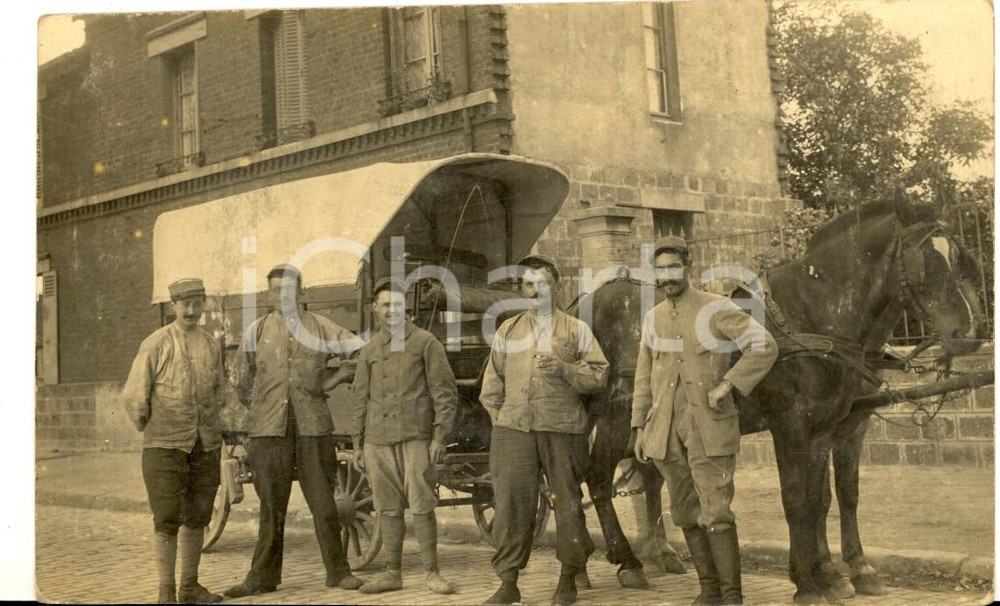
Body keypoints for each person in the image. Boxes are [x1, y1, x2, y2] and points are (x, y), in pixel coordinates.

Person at [631, 236, 778, 605]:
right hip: (665, 432)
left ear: (688, 268)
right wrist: (639, 427)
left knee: (716, 510)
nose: (667, 276)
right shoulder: (653, 317)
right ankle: (709, 591)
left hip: (708, 428)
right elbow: (644, 373)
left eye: (673, 268)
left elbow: (764, 345)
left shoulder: (716, 307)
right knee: (683, 511)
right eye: (660, 270)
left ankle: (732, 596)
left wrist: (728, 384)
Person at [225, 264, 365, 597]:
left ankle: (338, 572)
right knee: (271, 506)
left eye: (289, 290)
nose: (283, 296)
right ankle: (262, 578)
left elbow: (361, 352)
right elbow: (238, 381)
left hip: (313, 426)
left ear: (301, 292)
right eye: (276, 290)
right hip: (268, 432)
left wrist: (333, 379)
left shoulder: (321, 327)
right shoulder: (256, 331)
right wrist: (259, 410)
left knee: (324, 504)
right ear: (269, 294)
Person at [479, 254, 609, 606]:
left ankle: (568, 578)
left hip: (563, 430)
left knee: (567, 504)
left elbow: (598, 375)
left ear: (557, 287)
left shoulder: (575, 329)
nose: (535, 290)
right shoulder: (508, 329)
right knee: (510, 506)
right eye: (528, 284)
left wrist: (565, 369)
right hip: (514, 431)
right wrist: (503, 420)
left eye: (543, 283)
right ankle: (508, 583)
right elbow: (491, 385)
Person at [350, 277, 459, 595]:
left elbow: (445, 394)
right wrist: (358, 442)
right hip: (377, 441)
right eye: (385, 305)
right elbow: (360, 397)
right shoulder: (369, 349)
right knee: (388, 508)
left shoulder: (426, 343)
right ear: (375, 310)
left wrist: (439, 437)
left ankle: (432, 573)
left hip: (415, 438)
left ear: (406, 308)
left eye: (397, 305)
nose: (392, 311)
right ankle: (392, 573)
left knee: (422, 505)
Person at [123, 278, 225, 604]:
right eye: (185, 304)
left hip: (205, 443)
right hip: (165, 446)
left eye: (197, 303)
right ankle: (166, 592)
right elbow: (135, 396)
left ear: (204, 303)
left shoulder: (210, 344)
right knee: (167, 517)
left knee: (198, 515)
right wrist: (151, 428)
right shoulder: (155, 344)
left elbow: (219, 390)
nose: (192, 310)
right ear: (173, 306)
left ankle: (190, 587)